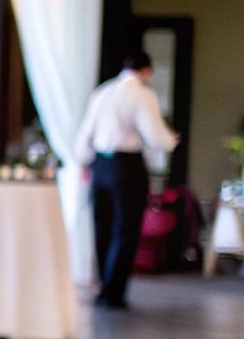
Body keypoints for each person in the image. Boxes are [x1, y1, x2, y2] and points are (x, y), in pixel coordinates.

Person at [73, 52, 179, 309]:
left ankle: (102, 289)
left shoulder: (102, 92)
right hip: (126, 165)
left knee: (103, 227)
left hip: (100, 164)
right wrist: (170, 141)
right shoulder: (142, 95)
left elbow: (86, 130)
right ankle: (114, 292)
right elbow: (154, 134)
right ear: (146, 71)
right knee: (126, 228)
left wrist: (83, 161)